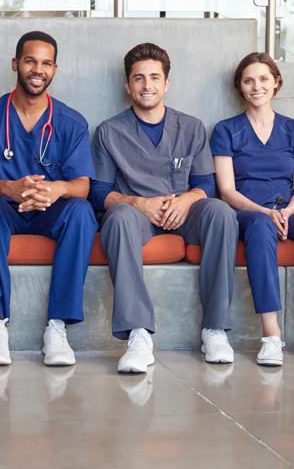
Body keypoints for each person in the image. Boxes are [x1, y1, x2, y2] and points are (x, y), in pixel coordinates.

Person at [90, 42, 238, 373]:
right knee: (117, 218)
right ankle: (138, 334)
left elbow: (207, 185)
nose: (147, 86)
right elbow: (98, 192)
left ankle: (215, 330)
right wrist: (137, 203)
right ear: (127, 85)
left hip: (184, 213)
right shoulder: (109, 132)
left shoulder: (191, 127)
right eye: (139, 78)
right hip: (137, 217)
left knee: (221, 213)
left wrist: (186, 199)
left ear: (166, 83)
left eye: (154, 77)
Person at [0, 31, 97, 367]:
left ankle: (57, 329)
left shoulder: (71, 122)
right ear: (16, 63)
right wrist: (10, 188)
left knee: (81, 212)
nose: (38, 69)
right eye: (30, 61)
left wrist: (57, 190)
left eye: (46, 63)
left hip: (50, 212)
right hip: (5, 209)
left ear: (55, 69)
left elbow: (82, 185)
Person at [211, 52, 291, 366]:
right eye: (248, 80)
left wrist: (286, 211)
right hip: (247, 211)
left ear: (276, 83)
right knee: (260, 227)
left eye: (263, 79)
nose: (256, 86)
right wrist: (265, 211)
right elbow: (227, 190)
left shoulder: (291, 128)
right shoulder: (226, 130)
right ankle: (271, 337)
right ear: (240, 87)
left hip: (287, 210)